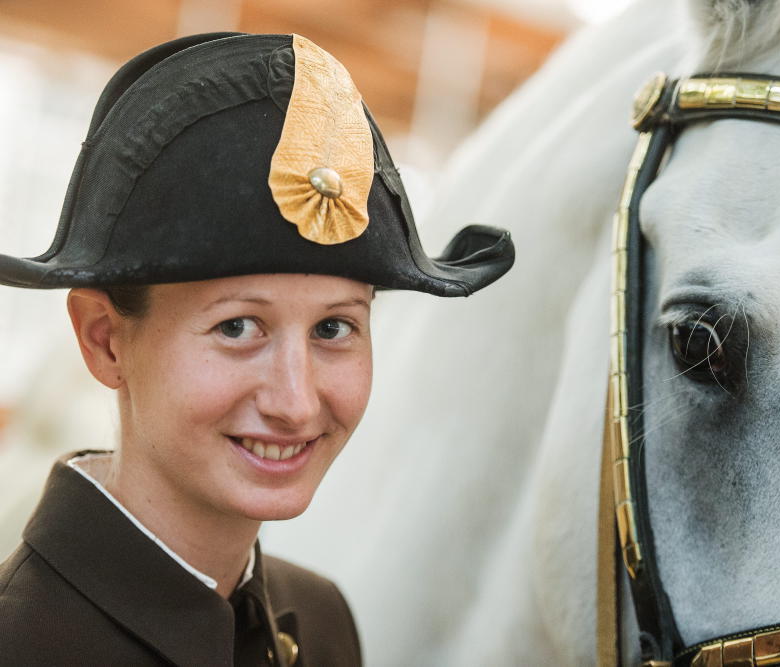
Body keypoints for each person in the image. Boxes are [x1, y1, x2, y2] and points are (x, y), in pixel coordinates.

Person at [0, 32, 514, 666]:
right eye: (238, 328)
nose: (296, 404)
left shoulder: (321, 622)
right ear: (105, 341)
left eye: (333, 329)